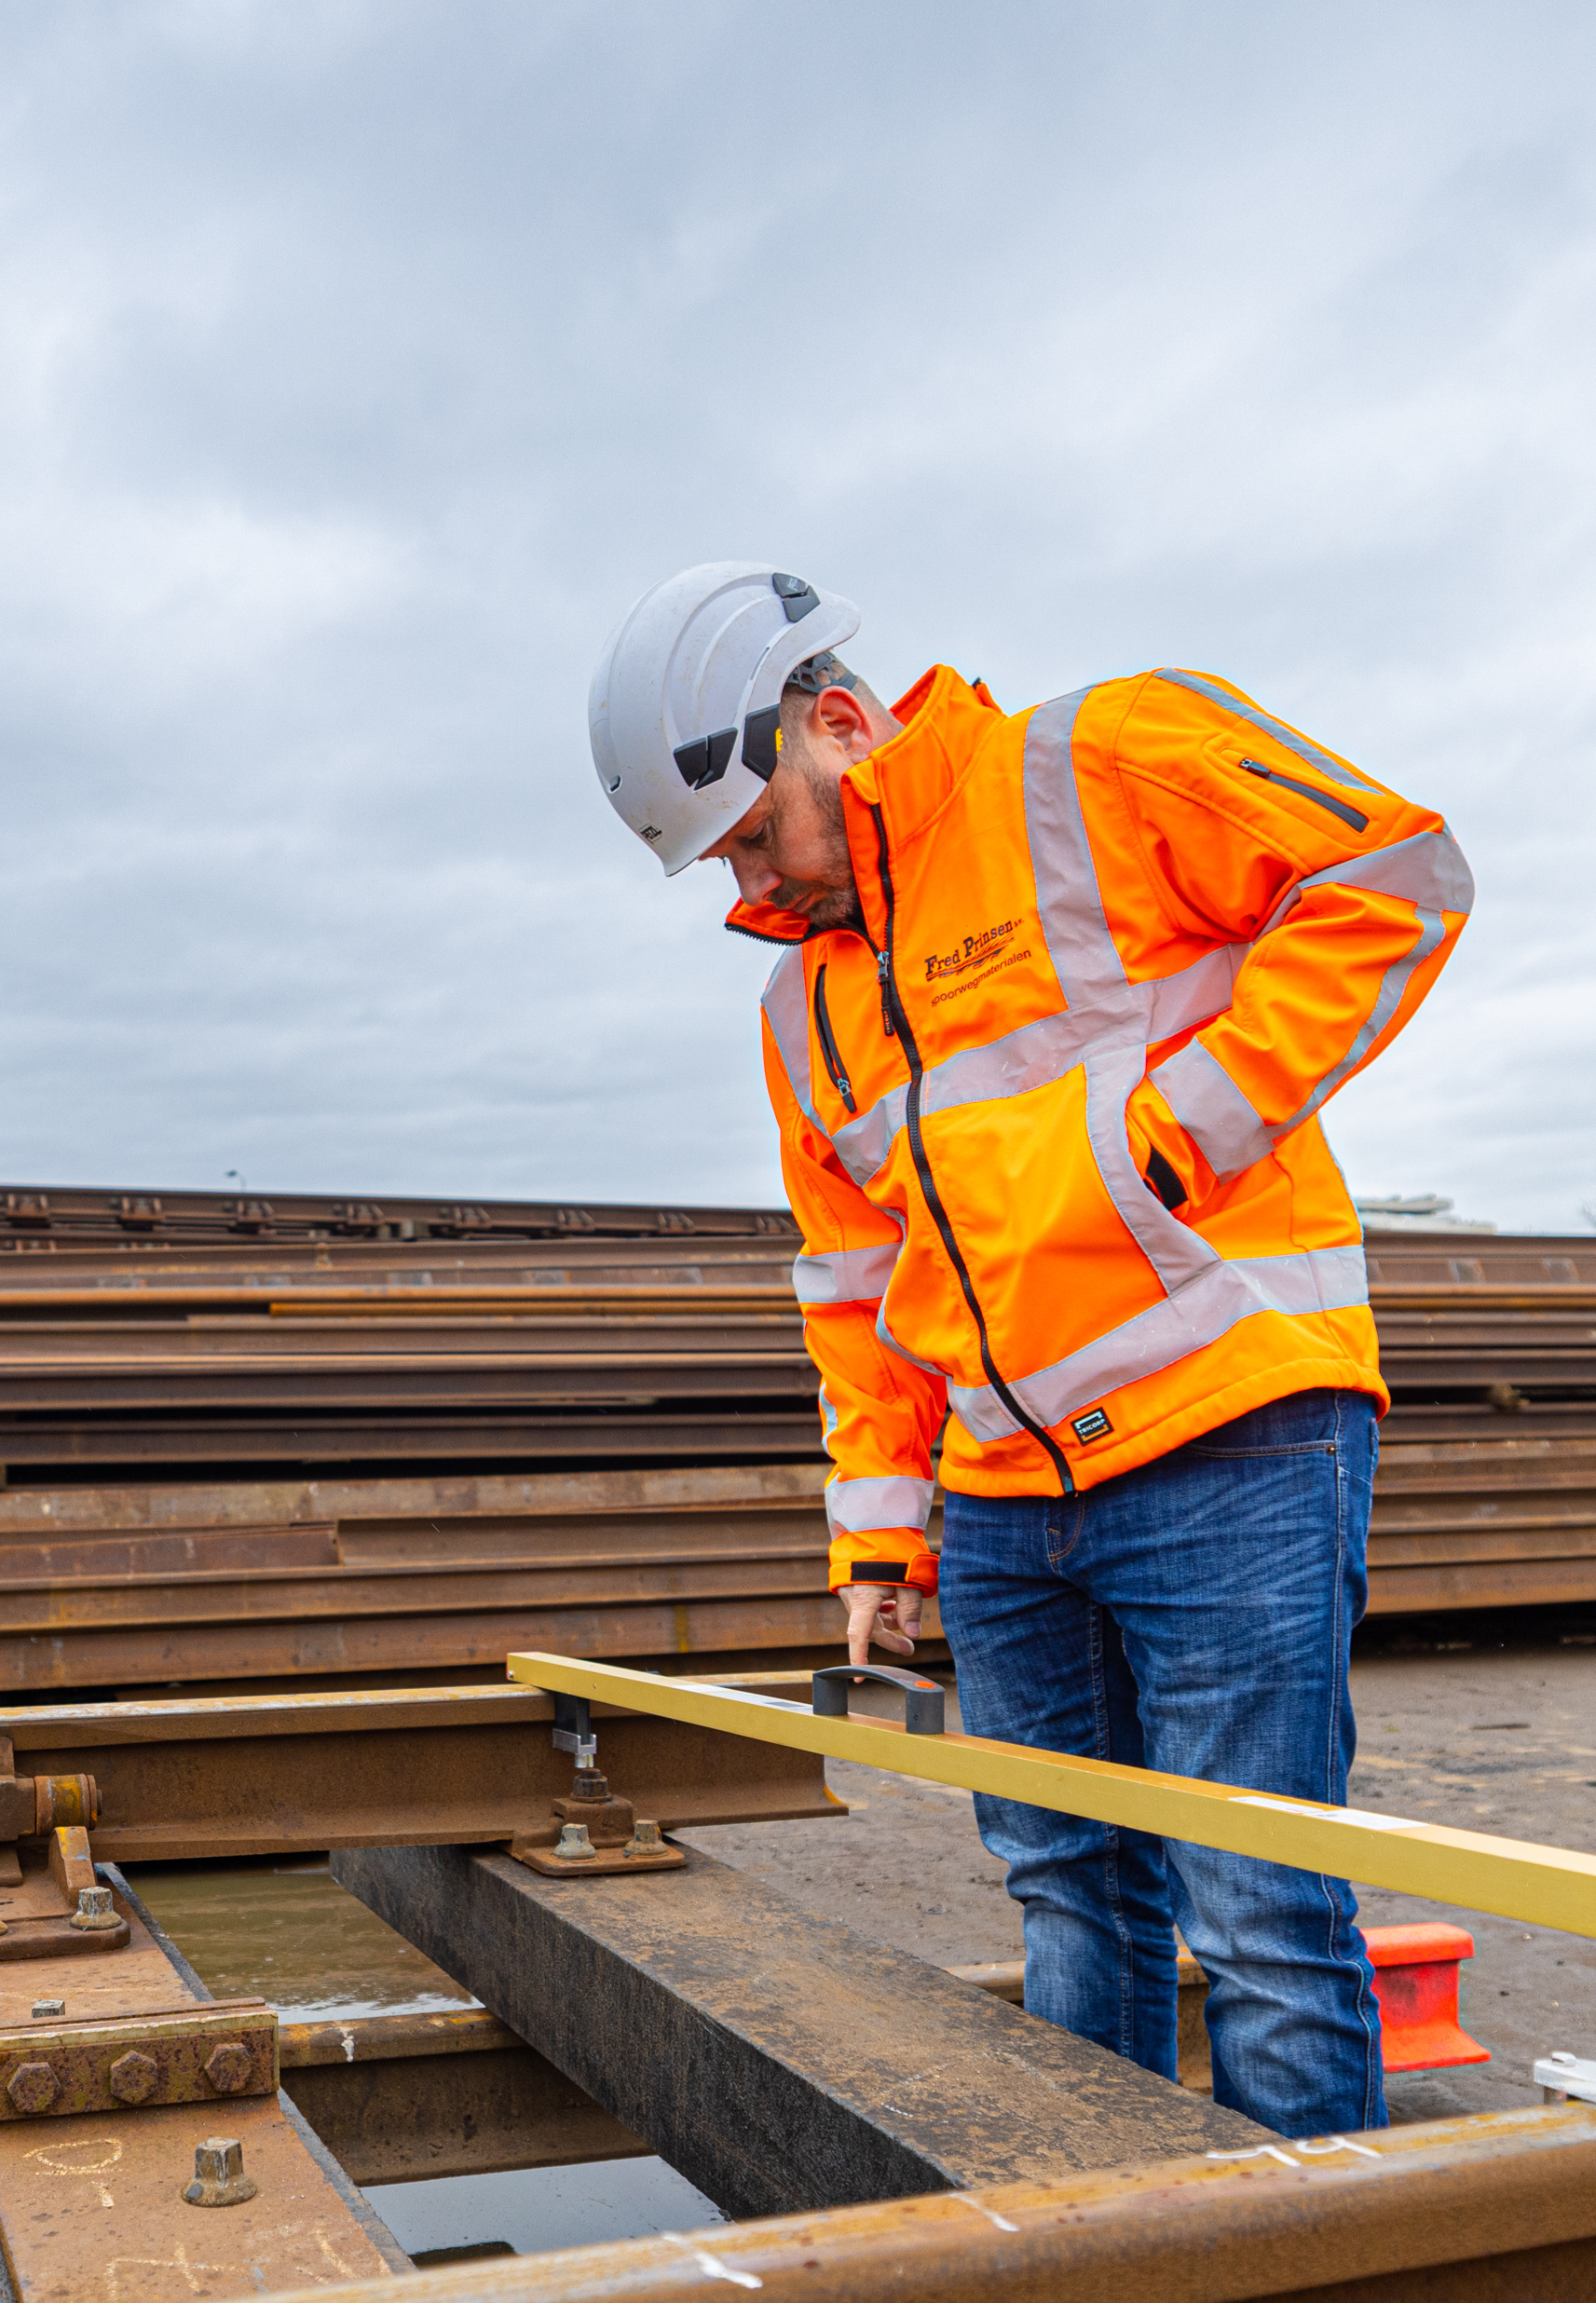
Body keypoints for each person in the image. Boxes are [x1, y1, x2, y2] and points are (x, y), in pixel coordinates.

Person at [586, 564, 1470, 2133]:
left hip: (1231, 1428)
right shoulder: (806, 1001)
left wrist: (1176, 1141)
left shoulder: (1098, 763)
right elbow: (858, 1283)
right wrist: (878, 1540)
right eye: (720, 865)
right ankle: (1104, 2244)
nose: (754, 892)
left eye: (756, 838)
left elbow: (1397, 876)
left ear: (838, 726)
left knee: (1261, 1907)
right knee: (1069, 1890)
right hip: (1000, 1493)